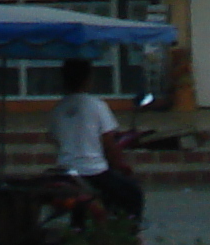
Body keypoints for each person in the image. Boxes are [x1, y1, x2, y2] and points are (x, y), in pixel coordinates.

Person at [47, 57, 143, 220]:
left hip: (66, 171)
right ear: (88, 78)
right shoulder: (97, 105)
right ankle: (129, 234)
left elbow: (54, 139)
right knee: (134, 194)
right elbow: (109, 143)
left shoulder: (57, 109)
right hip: (93, 171)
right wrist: (119, 165)